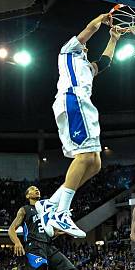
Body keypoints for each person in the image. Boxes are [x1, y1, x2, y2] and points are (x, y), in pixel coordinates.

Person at [36, 14, 121, 238]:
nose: (86, 47)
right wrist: (101, 19)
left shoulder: (85, 66)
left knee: (95, 163)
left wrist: (113, 38)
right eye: (84, 45)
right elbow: (88, 29)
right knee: (84, 156)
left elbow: (104, 63)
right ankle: (61, 212)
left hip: (82, 104)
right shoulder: (68, 51)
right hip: (73, 100)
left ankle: (50, 205)